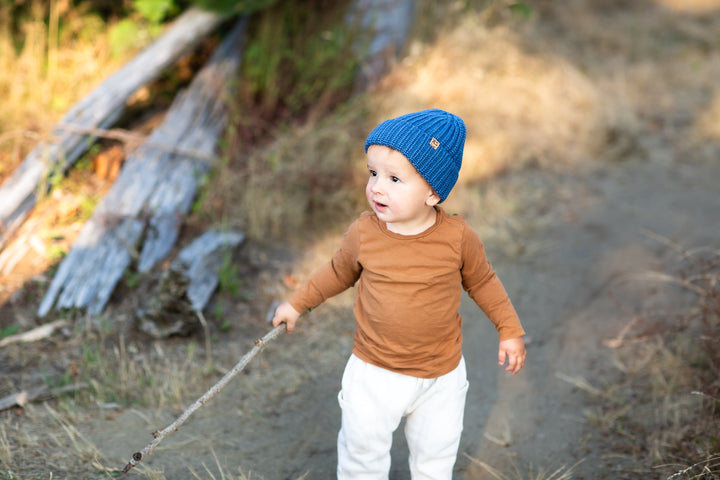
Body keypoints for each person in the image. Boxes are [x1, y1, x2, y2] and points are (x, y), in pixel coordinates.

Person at [272, 108, 527, 479]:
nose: (377, 187)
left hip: (440, 376)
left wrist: (509, 328)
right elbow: (337, 272)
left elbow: (484, 282)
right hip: (373, 373)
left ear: (433, 193)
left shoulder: (456, 239)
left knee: (435, 457)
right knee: (362, 453)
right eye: (373, 173)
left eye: (394, 178)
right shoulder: (365, 233)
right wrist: (297, 303)